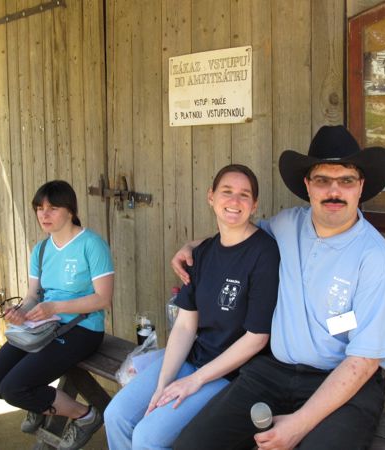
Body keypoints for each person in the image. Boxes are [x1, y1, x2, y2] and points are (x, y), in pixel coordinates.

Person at [171, 126, 385, 450]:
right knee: (192, 446)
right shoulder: (286, 224)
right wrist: (191, 246)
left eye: (346, 180)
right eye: (323, 180)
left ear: (360, 187)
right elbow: (238, 235)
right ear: (307, 186)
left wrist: (298, 424)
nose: (334, 191)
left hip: (342, 382)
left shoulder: (374, 257)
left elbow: (364, 361)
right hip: (272, 372)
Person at [104, 164, 280, 449]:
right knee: (116, 416)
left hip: (231, 375)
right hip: (193, 359)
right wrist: (163, 382)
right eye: (227, 192)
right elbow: (186, 326)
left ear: (254, 204)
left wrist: (193, 381)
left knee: (148, 437)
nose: (234, 201)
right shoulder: (202, 253)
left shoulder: (264, 254)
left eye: (244, 195)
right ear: (211, 196)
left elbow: (257, 338)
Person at [0, 180, 114, 450]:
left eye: (52, 208)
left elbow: (103, 299)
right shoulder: (41, 250)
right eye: (39, 209)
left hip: (83, 328)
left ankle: (85, 415)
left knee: (14, 387)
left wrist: (55, 308)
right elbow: (32, 297)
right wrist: (19, 312)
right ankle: (44, 406)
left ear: (70, 211)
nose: (44, 215)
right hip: (42, 326)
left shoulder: (91, 244)